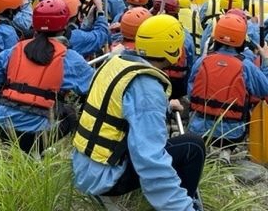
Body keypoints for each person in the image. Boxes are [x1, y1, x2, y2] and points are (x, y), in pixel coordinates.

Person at [72, 14, 206, 211]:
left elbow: (119, 108)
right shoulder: (147, 86)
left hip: (84, 167)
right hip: (105, 178)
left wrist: (165, 107)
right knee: (193, 147)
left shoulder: (116, 62)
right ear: (174, 50)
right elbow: (150, 159)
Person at [0, 0, 94, 155]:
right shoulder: (70, 59)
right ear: (64, 26)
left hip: (3, 127)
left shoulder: (15, 50)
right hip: (36, 134)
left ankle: (21, 152)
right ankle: (38, 152)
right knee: (70, 112)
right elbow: (93, 87)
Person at [188, 11, 268, 150]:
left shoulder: (202, 61)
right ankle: (226, 151)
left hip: (197, 130)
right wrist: (266, 60)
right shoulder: (246, 65)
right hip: (231, 135)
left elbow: (191, 91)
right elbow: (266, 90)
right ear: (241, 40)